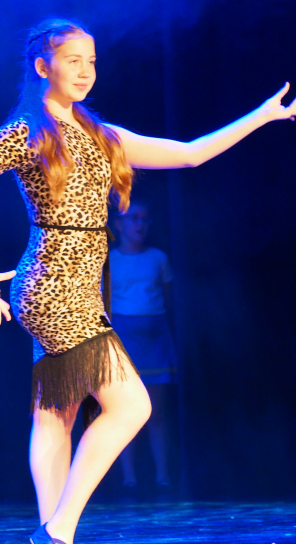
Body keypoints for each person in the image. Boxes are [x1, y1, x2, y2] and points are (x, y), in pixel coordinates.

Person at [0, 18, 296, 544]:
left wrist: (263, 116)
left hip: (78, 289)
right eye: (73, 61)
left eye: (91, 61)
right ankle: (58, 530)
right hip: (52, 288)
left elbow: (189, 153)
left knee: (56, 413)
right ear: (42, 66)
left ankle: (51, 533)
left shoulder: (100, 135)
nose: (85, 71)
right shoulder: (24, 131)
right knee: (133, 405)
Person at [110, 199, 177, 496]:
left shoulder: (158, 258)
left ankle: (163, 477)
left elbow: (168, 298)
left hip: (154, 336)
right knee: (125, 410)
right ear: (119, 224)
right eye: (133, 218)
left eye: (144, 219)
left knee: (156, 411)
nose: (139, 224)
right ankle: (129, 479)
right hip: (124, 338)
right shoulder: (110, 260)